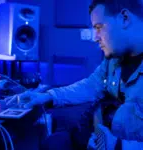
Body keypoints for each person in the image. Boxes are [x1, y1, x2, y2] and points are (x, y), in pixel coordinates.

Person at [19, 0, 143, 149]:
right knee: (53, 143)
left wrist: (119, 146)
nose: (95, 37)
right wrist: (48, 96)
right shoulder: (115, 57)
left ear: (124, 18)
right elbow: (91, 85)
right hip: (94, 136)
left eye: (99, 27)